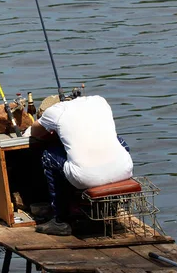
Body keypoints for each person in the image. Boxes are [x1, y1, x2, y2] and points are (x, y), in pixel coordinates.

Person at [24, 94, 133, 236]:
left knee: (48, 156)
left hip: (86, 177)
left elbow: (36, 132)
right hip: (124, 169)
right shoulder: (100, 101)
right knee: (118, 141)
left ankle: (60, 220)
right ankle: (110, 210)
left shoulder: (55, 111)